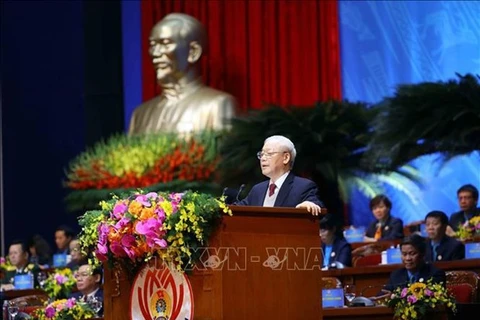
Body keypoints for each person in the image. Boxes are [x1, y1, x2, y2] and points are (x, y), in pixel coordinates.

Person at [128, 13, 237, 135]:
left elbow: (226, 153)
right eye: (153, 45)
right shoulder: (140, 114)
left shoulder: (216, 105)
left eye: (165, 43)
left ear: (193, 52)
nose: (155, 53)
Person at [235, 135, 323, 215]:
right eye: (262, 154)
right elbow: (236, 210)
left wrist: (310, 204)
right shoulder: (258, 190)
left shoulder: (302, 187)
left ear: (286, 158)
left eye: (269, 154)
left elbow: (316, 205)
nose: (263, 158)